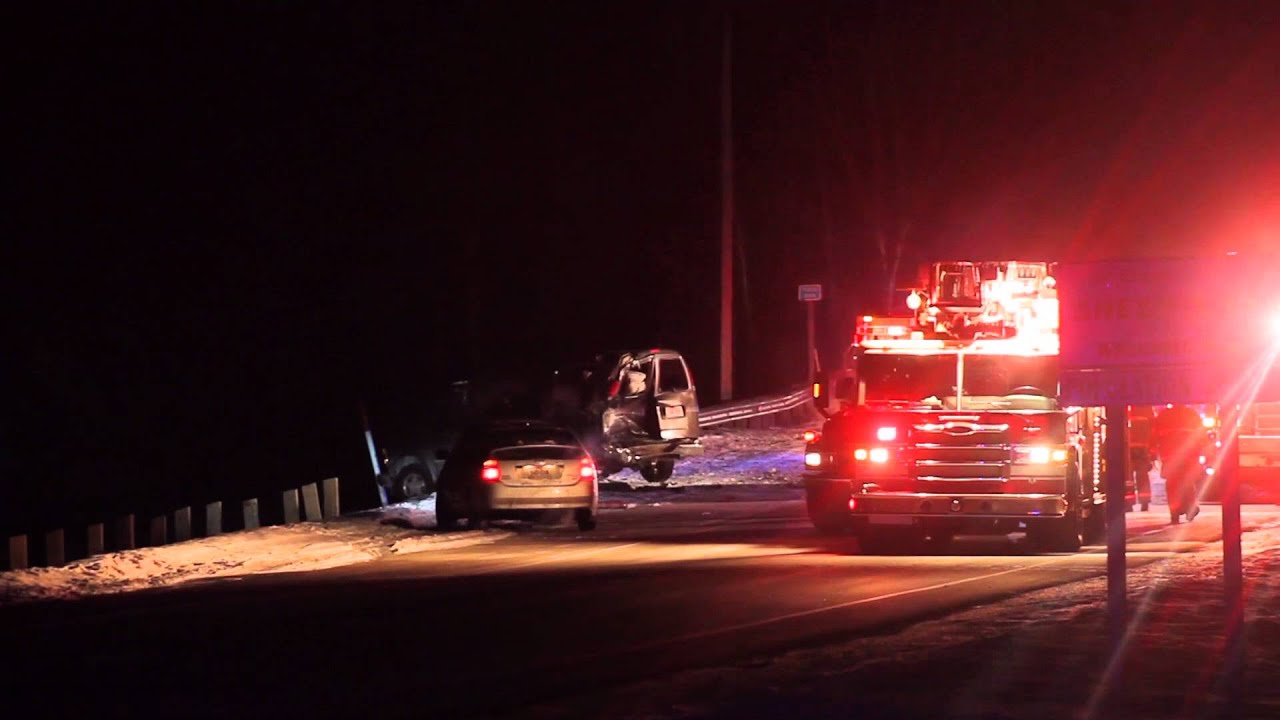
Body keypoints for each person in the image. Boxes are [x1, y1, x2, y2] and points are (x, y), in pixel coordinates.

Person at [1150, 404, 1206, 524]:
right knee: (1188, 481)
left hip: (1169, 455)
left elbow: (1154, 434)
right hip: (1188, 454)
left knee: (1172, 483)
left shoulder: (1164, 415)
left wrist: (1152, 451)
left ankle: (1174, 513)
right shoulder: (1191, 414)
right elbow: (1201, 434)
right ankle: (1190, 508)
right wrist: (1204, 449)